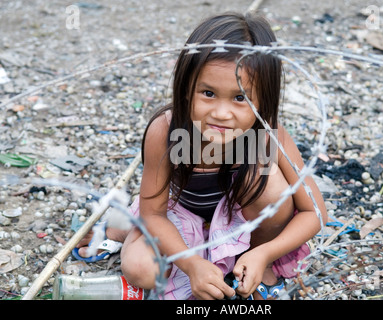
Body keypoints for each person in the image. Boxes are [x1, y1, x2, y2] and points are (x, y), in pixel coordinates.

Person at [75, 11, 327, 300]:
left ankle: (252, 260)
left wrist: (264, 252)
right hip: (180, 216)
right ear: (186, 89)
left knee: (270, 185)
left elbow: (315, 212)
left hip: (241, 222)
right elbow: (154, 214)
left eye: (240, 98)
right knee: (142, 271)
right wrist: (192, 264)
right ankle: (123, 229)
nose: (221, 113)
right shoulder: (166, 131)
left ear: (264, 101)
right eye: (208, 93)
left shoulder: (269, 133)